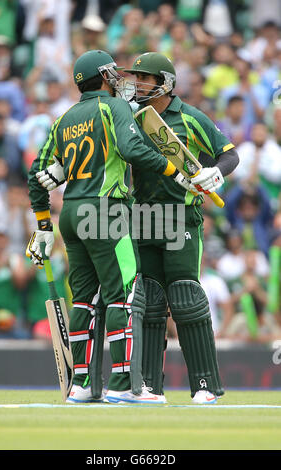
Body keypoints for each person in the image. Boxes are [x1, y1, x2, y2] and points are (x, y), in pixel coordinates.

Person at [26, 49, 193, 405]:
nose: (120, 80)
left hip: (71, 215)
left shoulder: (64, 119)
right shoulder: (113, 107)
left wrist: (43, 226)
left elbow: (36, 176)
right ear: (102, 77)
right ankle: (122, 384)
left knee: (84, 300)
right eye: (113, 74)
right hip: (106, 211)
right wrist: (175, 171)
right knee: (124, 295)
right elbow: (132, 147)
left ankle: (82, 384)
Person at [122, 51, 239, 404]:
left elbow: (230, 154)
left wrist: (213, 173)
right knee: (150, 303)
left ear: (166, 83)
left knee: (186, 298)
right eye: (136, 78)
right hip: (142, 217)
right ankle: (148, 388)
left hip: (180, 218)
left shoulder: (190, 118)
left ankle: (206, 386)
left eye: (144, 79)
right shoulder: (132, 118)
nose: (137, 84)